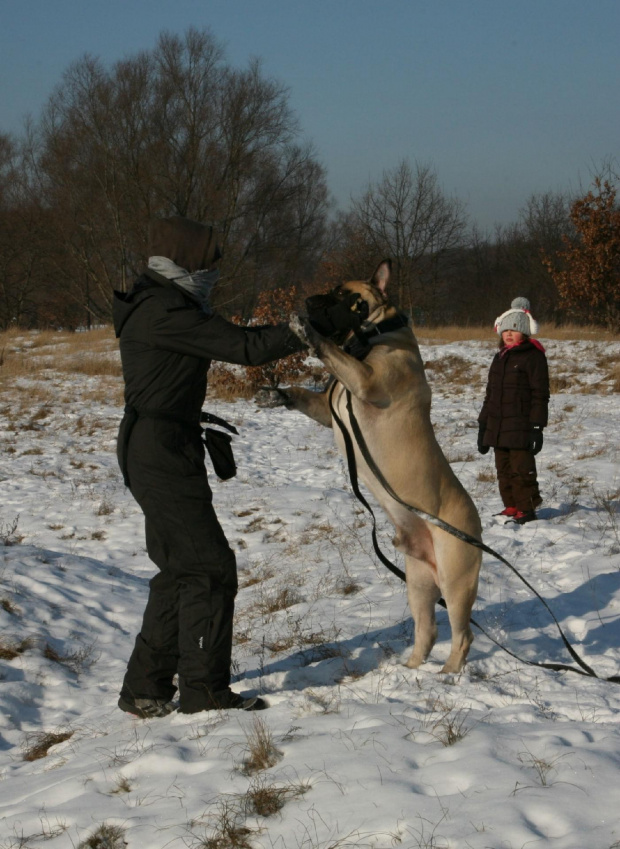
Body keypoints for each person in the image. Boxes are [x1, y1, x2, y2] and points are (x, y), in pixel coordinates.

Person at [113, 216, 305, 717]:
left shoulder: (159, 300)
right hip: (160, 449)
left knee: (180, 569)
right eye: (209, 262)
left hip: (159, 443)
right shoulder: (164, 309)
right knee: (209, 568)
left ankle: (145, 689)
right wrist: (305, 329)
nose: (215, 273)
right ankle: (204, 690)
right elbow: (244, 347)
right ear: (185, 261)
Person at [477, 297, 550, 525]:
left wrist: (537, 427)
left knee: (522, 469)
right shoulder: (500, 358)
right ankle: (511, 505)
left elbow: (540, 394)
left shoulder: (533, 357)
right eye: (506, 330)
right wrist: (483, 425)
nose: (509, 334)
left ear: (525, 332)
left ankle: (526, 509)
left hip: (520, 426)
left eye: (515, 330)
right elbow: (490, 394)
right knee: (504, 469)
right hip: (498, 426)